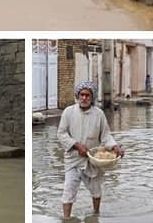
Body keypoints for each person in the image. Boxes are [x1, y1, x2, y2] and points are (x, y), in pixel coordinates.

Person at [57, 81, 124, 219]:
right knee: (68, 191)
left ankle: (95, 215)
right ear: (77, 96)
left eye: (87, 95)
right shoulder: (68, 112)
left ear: (92, 97)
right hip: (73, 160)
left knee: (96, 191)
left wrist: (115, 146)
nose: (84, 98)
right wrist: (76, 145)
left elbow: (105, 136)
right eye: (82, 95)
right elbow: (61, 134)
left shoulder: (98, 114)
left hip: (93, 160)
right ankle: (66, 218)